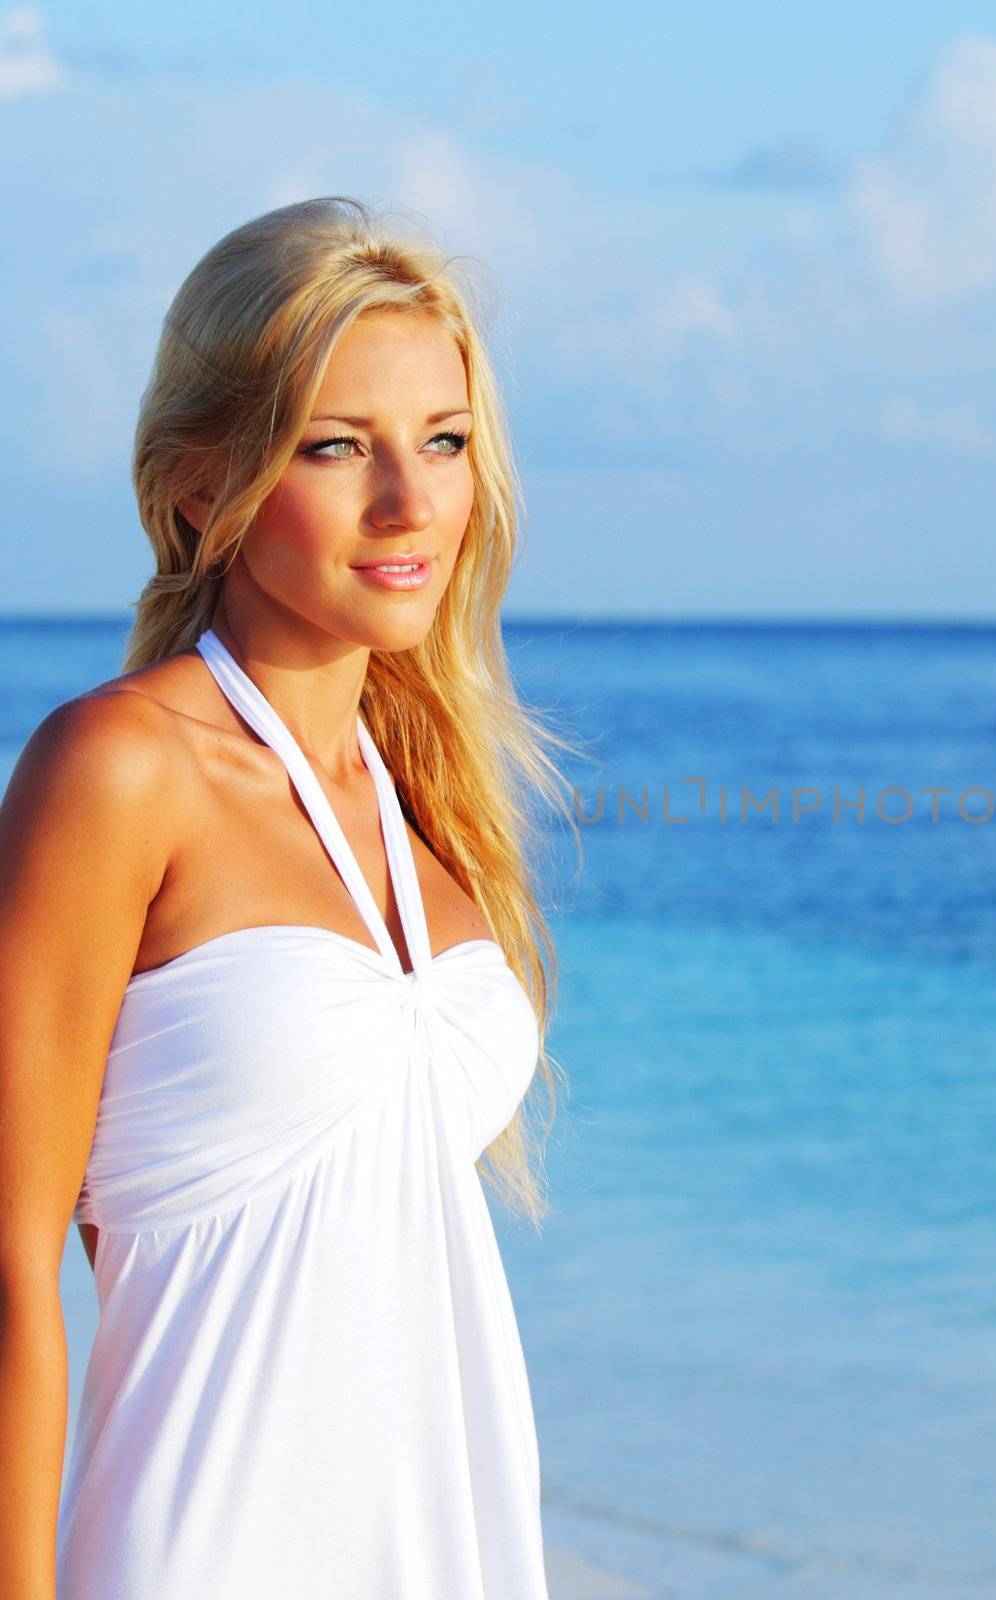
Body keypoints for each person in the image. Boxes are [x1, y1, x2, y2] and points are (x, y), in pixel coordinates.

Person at [0, 195, 578, 1598]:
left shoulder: (435, 812)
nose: (411, 503)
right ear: (204, 486)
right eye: (338, 447)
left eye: (442, 443)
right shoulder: (121, 767)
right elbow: (14, 1265)